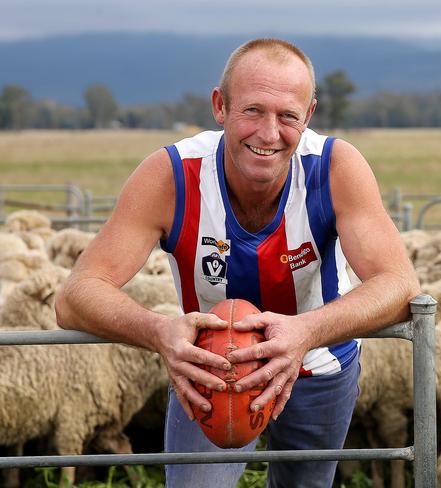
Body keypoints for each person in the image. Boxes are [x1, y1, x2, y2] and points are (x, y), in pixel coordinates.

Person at [55, 38, 420, 487]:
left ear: (308, 115)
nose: (269, 133)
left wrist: (306, 331)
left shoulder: (334, 166)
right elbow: (76, 295)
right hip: (210, 366)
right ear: (220, 106)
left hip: (319, 358)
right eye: (252, 110)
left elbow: (400, 283)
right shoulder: (172, 174)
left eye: (288, 115)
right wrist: (158, 331)